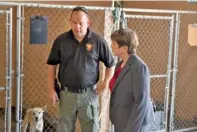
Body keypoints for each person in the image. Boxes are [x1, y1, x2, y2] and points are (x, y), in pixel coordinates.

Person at [46, 6, 115, 132]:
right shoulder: (61, 40)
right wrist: (51, 89)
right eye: (74, 23)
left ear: (88, 23)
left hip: (89, 95)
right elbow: (52, 65)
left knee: (91, 128)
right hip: (66, 95)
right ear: (70, 21)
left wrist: (105, 83)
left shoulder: (98, 41)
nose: (77, 27)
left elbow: (110, 64)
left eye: (81, 23)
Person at [109, 29, 155, 132]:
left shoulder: (139, 67)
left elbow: (140, 101)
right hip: (122, 119)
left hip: (134, 123)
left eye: (114, 44)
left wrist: (132, 129)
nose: (111, 46)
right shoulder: (119, 65)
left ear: (124, 48)